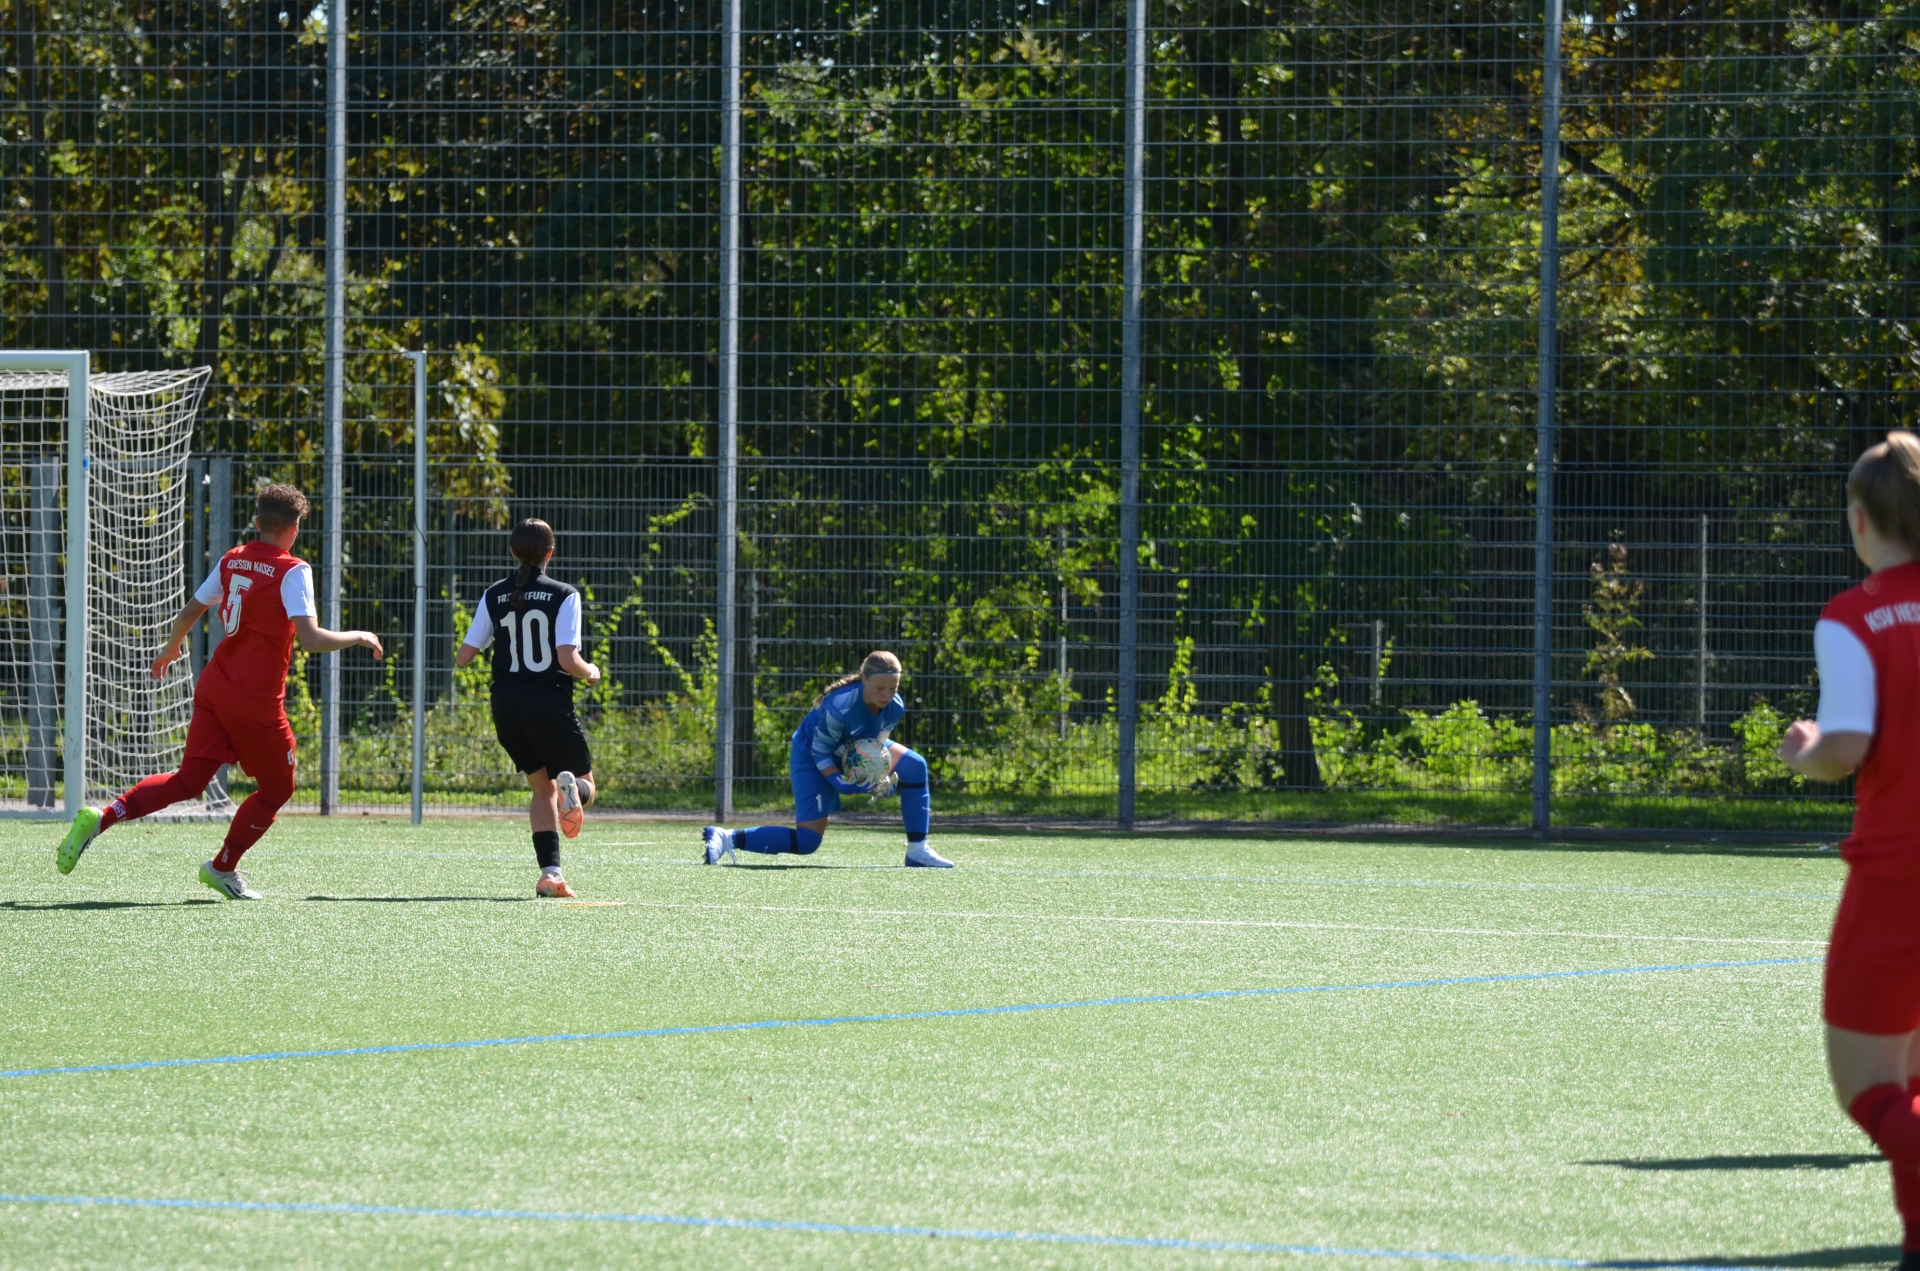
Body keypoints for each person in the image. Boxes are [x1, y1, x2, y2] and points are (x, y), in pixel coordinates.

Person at [54, 483, 384, 899]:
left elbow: (193, 609)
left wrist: (171, 648)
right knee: (278, 789)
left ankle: (103, 816)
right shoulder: (293, 570)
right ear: (296, 528)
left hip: (215, 686)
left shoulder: (233, 560)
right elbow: (311, 639)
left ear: (258, 523)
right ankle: (222, 866)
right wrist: (359, 635)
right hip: (255, 702)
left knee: (188, 781)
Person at [1779, 431, 1920, 1271]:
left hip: (1900, 874)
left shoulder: (1852, 615)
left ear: (1861, 522)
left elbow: (1849, 743)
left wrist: (1806, 749)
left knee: (1867, 1088)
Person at [456, 518, 601, 898]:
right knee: (585, 784)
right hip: (547, 700)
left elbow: (464, 657)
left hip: (506, 705)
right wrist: (591, 672)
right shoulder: (565, 594)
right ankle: (578, 795)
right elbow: (568, 659)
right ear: (550, 553)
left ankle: (550, 874)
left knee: (541, 789)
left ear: (511, 551)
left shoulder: (493, 594)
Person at [702, 650, 951, 869]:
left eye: (893, 688)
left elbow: (875, 748)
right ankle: (726, 837)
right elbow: (820, 752)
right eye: (880, 688)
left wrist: (880, 778)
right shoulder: (839, 707)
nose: (887, 695)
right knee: (807, 841)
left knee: (915, 765)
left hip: (850, 747)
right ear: (864, 678)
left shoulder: (894, 706)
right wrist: (841, 784)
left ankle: (918, 850)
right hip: (811, 754)